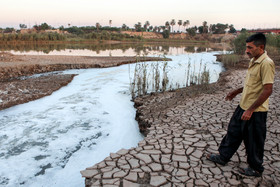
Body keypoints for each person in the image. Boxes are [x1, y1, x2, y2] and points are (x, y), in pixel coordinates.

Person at [206, 33, 275, 177]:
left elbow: (267, 90)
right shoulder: (254, 60)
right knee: (233, 131)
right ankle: (223, 157)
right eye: (246, 47)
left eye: (250, 47)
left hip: (256, 111)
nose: (247, 50)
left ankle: (255, 168)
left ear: (260, 47)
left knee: (254, 140)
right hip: (243, 105)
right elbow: (252, 85)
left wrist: (250, 110)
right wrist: (236, 91)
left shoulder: (266, 63)